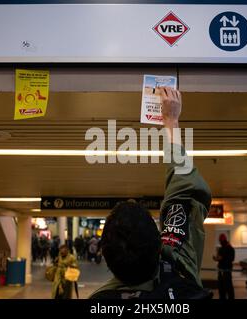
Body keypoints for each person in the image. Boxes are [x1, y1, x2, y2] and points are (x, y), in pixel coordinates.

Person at [90, 88, 213, 299]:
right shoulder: (180, 273)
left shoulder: (99, 301)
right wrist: (171, 121)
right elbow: (184, 187)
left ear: (107, 260)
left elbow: (184, 190)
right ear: (159, 244)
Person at [213, 233, 235, 299]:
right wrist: (217, 258)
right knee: (222, 287)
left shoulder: (229, 248)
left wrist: (221, 258)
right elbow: (219, 258)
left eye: (221, 241)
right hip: (222, 270)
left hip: (226, 270)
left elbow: (231, 258)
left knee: (227, 286)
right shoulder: (222, 248)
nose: (220, 242)